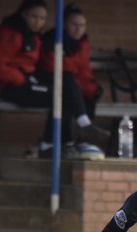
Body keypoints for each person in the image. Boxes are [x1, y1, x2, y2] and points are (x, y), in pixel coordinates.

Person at [0, 0, 108, 159]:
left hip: (27, 82)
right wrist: (21, 79)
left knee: (66, 85)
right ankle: (52, 143)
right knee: (60, 97)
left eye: (42, 18)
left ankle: (74, 132)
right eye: (34, 17)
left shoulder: (35, 36)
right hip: (8, 87)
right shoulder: (10, 33)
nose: (38, 22)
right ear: (24, 15)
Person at [38, 3, 107, 158]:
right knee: (67, 89)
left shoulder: (82, 43)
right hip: (47, 81)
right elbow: (52, 66)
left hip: (68, 83)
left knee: (90, 91)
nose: (78, 29)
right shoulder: (52, 39)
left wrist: (90, 88)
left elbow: (84, 70)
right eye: (74, 24)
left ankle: (82, 139)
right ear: (64, 24)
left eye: (82, 25)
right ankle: (71, 137)